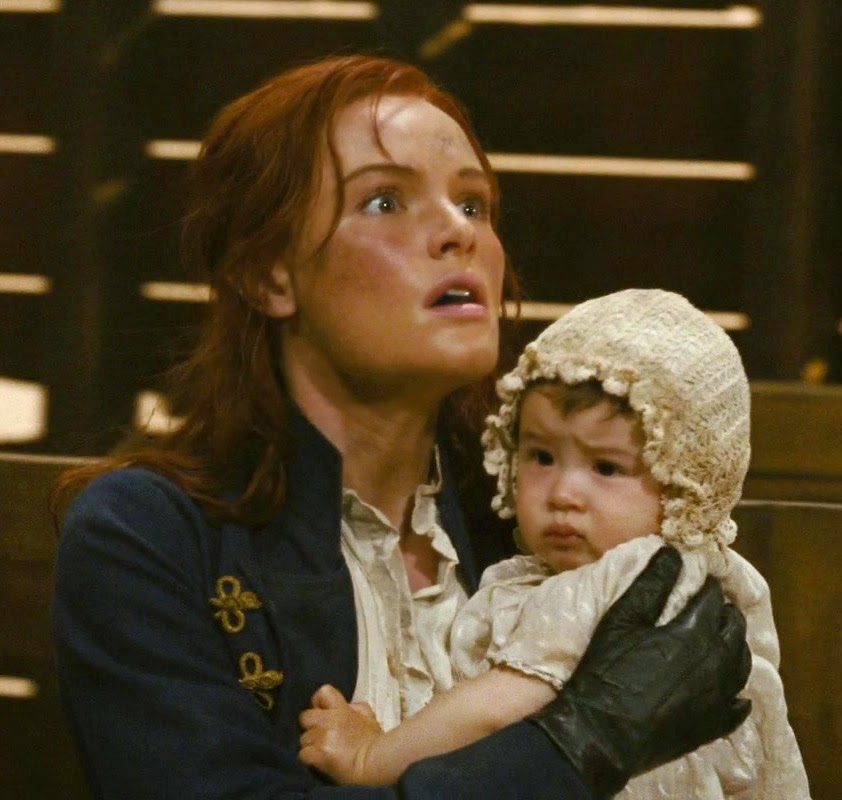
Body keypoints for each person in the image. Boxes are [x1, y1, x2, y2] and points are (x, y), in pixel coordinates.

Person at [51, 56, 751, 800]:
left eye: (474, 204)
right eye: (385, 201)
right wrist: (578, 742)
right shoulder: (148, 536)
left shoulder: (547, 510)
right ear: (269, 274)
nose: (458, 233)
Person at [298, 289, 811, 799]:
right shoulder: (698, 575)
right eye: (541, 457)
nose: (563, 493)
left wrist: (372, 756)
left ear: (685, 480)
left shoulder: (630, 580)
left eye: (606, 467)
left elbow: (496, 710)